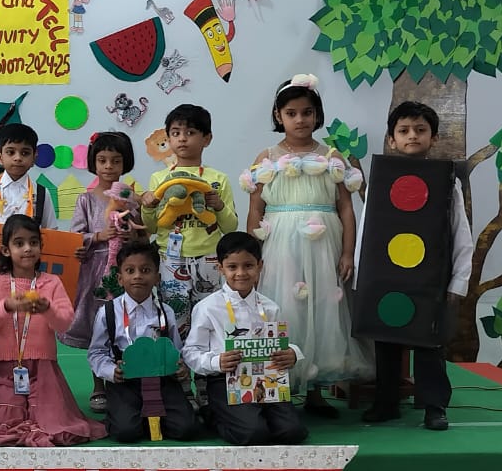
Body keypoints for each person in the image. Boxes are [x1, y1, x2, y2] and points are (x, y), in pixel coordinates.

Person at [241, 74, 370, 418]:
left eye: (307, 112)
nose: (300, 120)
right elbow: (255, 209)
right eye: (292, 113)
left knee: (322, 312)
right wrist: (252, 255)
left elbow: (346, 208)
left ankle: (315, 393)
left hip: (324, 245)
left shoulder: (331, 156)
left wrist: (347, 252)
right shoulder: (267, 156)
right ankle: (278, 390)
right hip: (280, 244)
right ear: (278, 116)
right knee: (284, 311)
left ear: (317, 115)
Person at [356, 101, 472, 431]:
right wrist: (361, 278)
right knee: (386, 339)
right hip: (386, 277)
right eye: (404, 130)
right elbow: (366, 231)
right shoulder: (380, 182)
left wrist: (459, 281)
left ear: (434, 138)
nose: (412, 136)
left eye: (420, 130)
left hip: (429, 278)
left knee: (429, 342)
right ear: (391, 139)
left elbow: (460, 232)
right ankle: (386, 402)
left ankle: (434, 405)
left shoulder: (446, 182)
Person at [0, 215, 106, 446]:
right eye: (19, 243)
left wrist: (47, 309)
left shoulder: (51, 282)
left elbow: (65, 323)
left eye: (33, 242)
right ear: (5, 250)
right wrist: (6, 306)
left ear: (41, 247)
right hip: (6, 367)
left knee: (55, 424)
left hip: (44, 367)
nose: (27, 248)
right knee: (4, 424)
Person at [183, 232, 307, 446]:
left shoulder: (270, 307)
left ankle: (254, 414)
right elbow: (191, 352)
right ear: (220, 268)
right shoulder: (207, 308)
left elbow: (282, 343)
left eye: (248, 266)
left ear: (260, 266)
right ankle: (213, 414)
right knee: (253, 434)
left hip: (267, 379)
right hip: (225, 379)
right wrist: (217, 362)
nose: (241, 273)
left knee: (293, 432)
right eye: (232, 267)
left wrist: (293, 354)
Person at [58, 131, 142, 412]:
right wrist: (97, 236)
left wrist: (132, 236)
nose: (108, 166)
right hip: (95, 273)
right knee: (99, 326)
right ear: (93, 163)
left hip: (125, 273)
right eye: (102, 160)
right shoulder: (86, 199)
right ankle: (98, 384)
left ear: (125, 163)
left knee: (126, 323)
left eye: (115, 161)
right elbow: (75, 236)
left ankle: (127, 378)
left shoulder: (131, 199)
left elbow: (143, 235)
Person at [140, 103, 239, 338]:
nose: (182, 139)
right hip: (170, 258)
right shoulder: (159, 178)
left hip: (209, 258)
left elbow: (231, 228)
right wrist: (148, 206)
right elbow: (151, 226)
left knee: (210, 317)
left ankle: (208, 361)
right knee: (175, 318)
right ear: (168, 139)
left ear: (207, 139)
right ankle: (178, 361)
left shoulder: (218, 179)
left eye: (191, 132)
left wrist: (218, 205)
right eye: (175, 133)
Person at [88, 242, 201, 443]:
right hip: (125, 381)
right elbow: (96, 353)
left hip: (162, 379)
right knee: (126, 433)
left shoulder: (166, 312)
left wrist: (181, 367)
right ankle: (125, 416)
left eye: (146, 270)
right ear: (120, 278)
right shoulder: (108, 313)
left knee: (187, 429)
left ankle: (150, 417)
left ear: (157, 278)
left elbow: (176, 350)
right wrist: (112, 371)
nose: (138, 276)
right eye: (130, 271)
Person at [0, 123, 59, 229]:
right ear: (0, 157)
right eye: (10, 152)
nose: (18, 158)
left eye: (25, 153)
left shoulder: (42, 194)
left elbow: (51, 232)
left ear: (34, 158)